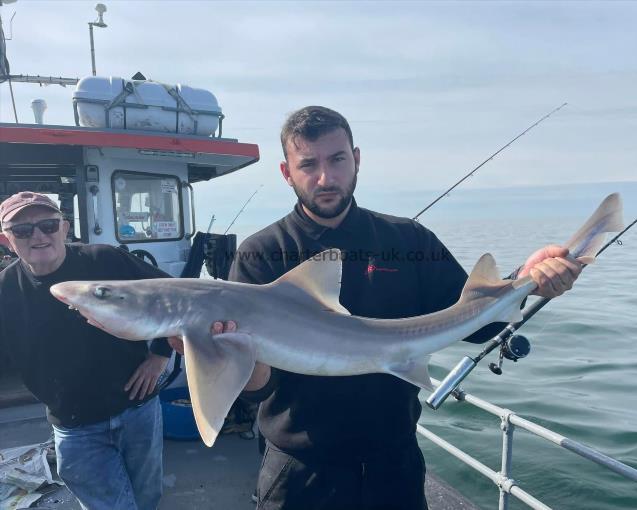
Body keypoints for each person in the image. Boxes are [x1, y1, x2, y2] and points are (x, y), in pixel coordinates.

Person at [173, 106, 582, 510]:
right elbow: (260, 387)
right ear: (286, 173)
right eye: (308, 164)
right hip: (302, 473)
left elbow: (473, 323)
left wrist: (525, 282)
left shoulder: (408, 240)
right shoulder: (262, 254)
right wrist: (219, 353)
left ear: (357, 159)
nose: (325, 177)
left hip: (394, 466)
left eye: (337, 160)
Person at [0, 191, 172, 510]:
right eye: (22, 231)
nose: (38, 236)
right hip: (75, 426)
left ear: (64, 228)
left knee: (148, 498)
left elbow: (170, 296)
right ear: (6, 240)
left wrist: (160, 355)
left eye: (48, 225)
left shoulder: (105, 260)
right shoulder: (5, 291)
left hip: (139, 410)